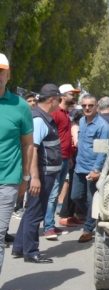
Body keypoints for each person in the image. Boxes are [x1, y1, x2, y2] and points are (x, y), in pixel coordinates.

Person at [13, 84, 63, 264]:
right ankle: (31, 251)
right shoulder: (39, 119)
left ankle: (20, 247)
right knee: (35, 213)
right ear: (51, 100)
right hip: (41, 174)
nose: (60, 102)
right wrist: (34, 178)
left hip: (44, 173)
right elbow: (32, 150)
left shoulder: (42, 117)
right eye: (59, 99)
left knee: (31, 212)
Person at [0, 53, 35, 273]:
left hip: (7, 181)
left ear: (8, 74)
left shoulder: (20, 106)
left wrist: (25, 177)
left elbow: (28, 145)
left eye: (1, 71)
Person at [71, 94, 109, 243]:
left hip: (92, 169)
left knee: (90, 200)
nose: (87, 108)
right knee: (75, 196)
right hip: (79, 167)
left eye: (90, 105)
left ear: (96, 107)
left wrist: (96, 170)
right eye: (84, 105)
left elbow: (103, 150)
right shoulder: (81, 121)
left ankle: (88, 229)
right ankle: (94, 216)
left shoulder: (103, 126)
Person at [41, 84, 79, 240]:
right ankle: (48, 226)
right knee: (52, 193)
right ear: (62, 95)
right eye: (72, 93)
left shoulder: (66, 114)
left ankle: (50, 223)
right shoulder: (56, 113)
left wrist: (69, 157)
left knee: (55, 192)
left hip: (64, 158)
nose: (74, 96)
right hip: (55, 158)